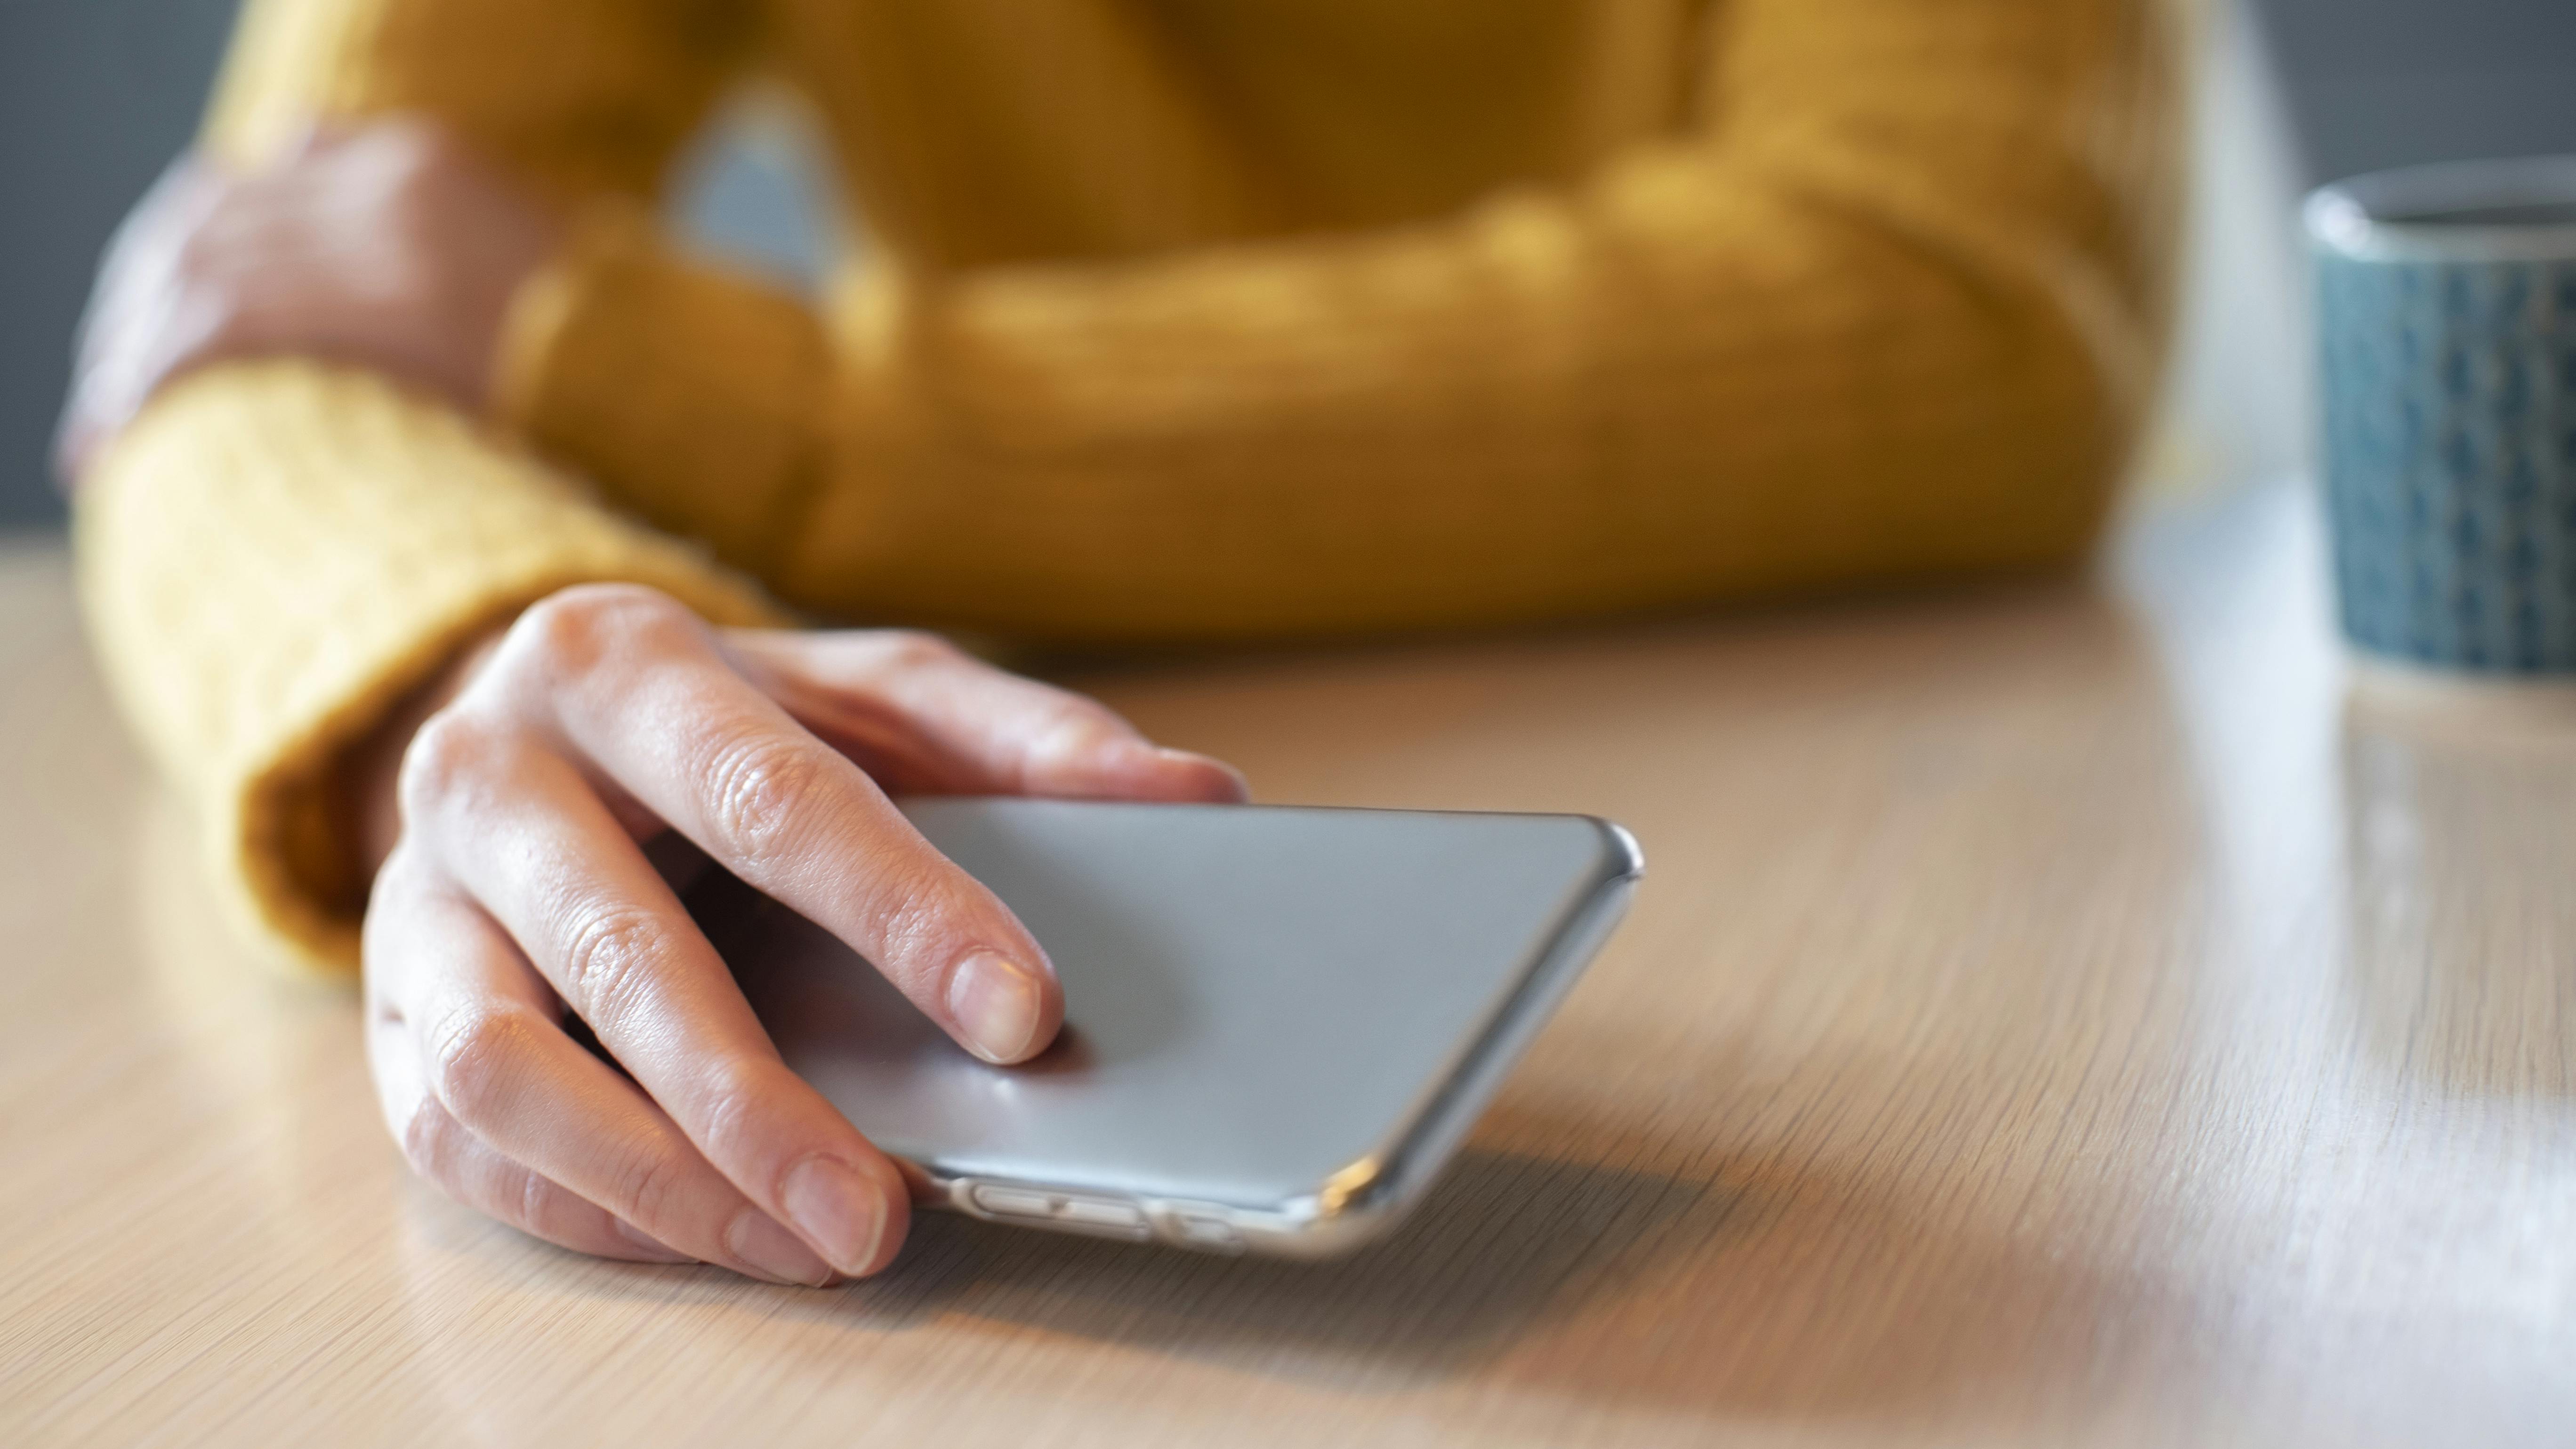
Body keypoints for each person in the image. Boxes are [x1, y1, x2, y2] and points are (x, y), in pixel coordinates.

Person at [60, 0, 2182, 1287]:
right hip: (1015, 785)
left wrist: (730, 397)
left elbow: (1958, 302)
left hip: (2003, 832)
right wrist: (465, 671)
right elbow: (256, 309)